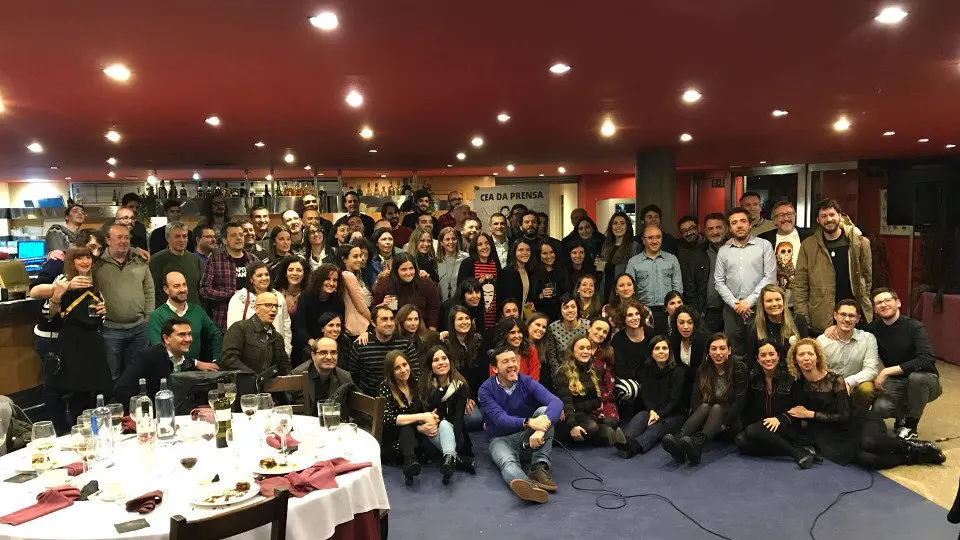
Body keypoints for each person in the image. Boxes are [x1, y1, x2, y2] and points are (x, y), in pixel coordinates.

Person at [786, 337, 945, 469]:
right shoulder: (797, 386)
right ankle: (911, 458)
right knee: (866, 459)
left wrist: (810, 414)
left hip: (857, 420)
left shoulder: (835, 380)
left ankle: (913, 446)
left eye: (810, 354)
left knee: (870, 442)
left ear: (817, 357)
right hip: (830, 433)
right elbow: (795, 413)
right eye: (801, 355)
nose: (806, 358)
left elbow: (844, 415)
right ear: (795, 360)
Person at [480, 344, 562, 503]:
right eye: (505, 362)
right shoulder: (485, 390)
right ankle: (530, 487)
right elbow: (499, 419)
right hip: (499, 439)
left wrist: (540, 429)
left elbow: (555, 402)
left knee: (545, 411)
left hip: (529, 439)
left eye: (513, 360)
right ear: (494, 368)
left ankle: (539, 466)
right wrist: (529, 422)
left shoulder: (527, 381)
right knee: (508, 463)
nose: (512, 365)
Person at [46, 246, 111, 431]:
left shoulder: (95, 281)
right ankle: (80, 434)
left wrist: (103, 311)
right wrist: (59, 294)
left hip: (94, 342)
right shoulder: (62, 280)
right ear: (71, 261)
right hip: (73, 344)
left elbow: (100, 315)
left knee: (100, 390)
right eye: (80, 258)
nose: (85, 261)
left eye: (88, 258)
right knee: (78, 395)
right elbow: (50, 314)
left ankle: (99, 432)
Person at [866, 288, 941, 440]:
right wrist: (833, 329)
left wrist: (886, 371)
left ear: (898, 302)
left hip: (926, 379)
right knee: (880, 409)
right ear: (875, 309)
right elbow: (852, 329)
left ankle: (911, 426)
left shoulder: (915, 327)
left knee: (916, 379)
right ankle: (902, 416)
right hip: (897, 380)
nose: (884, 304)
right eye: (879, 302)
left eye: (888, 300)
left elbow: (926, 359)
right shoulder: (874, 328)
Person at [662, 333, 747, 465]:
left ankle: (698, 446)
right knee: (705, 406)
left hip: (731, 423)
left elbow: (740, 402)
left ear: (729, 351)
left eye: (722, 348)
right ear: (708, 351)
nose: (718, 353)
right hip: (709, 422)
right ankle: (678, 439)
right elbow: (696, 397)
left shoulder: (739, 368)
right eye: (713, 349)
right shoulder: (704, 369)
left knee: (717, 407)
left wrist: (724, 424)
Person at [794, 199, 873, 334]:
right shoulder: (808, 246)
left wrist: (864, 303)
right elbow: (800, 285)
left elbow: (867, 277)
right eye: (824, 216)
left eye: (832, 215)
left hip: (853, 315)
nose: (829, 219)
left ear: (840, 216)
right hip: (821, 318)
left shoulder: (859, 243)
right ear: (818, 220)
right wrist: (803, 318)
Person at [734, 340, 815, 468]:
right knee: (741, 441)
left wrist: (780, 419)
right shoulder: (753, 379)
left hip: (786, 426)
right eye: (763, 355)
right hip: (764, 428)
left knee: (751, 431)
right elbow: (749, 408)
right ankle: (796, 448)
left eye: (772, 354)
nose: (768, 359)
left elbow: (801, 408)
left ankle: (796, 453)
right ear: (758, 359)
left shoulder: (792, 378)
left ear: (778, 356)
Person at [714, 206, 776, 355]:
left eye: (743, 221)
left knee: (760, 351)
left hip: (758, 309)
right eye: (734, 223)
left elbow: (770, 278)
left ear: (750, 224)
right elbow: (719, 281)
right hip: (731, 311)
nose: (739, 225)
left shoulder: (764, 246)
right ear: (729, 228)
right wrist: (736, 304)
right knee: (733, 353)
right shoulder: (724, 251)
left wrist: (748, 302)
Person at [96, 223, 154, 380]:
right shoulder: (97, 263)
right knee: (112, 375)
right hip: (110, 329)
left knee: (136, 374)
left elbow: (149, 290)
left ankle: (134, 404)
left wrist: (148, 317)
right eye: (119, 237)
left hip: (139, 328)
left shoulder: (140, 260)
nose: (124, 241)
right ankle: (115, 404)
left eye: (127, 237)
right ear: (108, 240)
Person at [614, 335, 686, 458]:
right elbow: (646, 395)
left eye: (664, 348)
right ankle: (625, 441)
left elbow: (675, 401)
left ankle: (633, 447)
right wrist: (652, 411)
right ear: (652, 353)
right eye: (657, 348)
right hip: (653, 411)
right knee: (641, 416)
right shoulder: (646, 370)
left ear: (670, 352)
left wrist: (659, 415)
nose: (661, 351)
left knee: (657, 427)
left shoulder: (678, 372)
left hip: (673, 414)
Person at [115, 317, 203, 408]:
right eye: (182, 335)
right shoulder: (147, 357)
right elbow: (122, 390)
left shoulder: (187, 362)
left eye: (189, 334)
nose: (188, 339)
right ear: (166, 338)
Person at [420, 345, 476, 483]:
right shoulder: (424, 386)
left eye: (444, 358)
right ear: (430, 365)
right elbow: (422, 415)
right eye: (436, 360)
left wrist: (455, 442)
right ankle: (454, 460)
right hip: (431, 435)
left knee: (445, 424)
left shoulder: (459, 385)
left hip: (455, 434)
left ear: (450, 361)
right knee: (440, 426)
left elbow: (457, 421)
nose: (441, 362)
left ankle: (450, 457)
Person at [379, 350, 433, 485]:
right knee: (406, 425)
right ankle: (410, 461)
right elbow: (387, 419)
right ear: (391, 372)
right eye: (397, 368)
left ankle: (411, 464)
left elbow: (426, 409)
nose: (403, 370)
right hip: (394, 442)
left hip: (416, 437)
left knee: (411, 424)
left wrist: (424, 423)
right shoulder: (385, 387)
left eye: (404, 365)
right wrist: (420, 419)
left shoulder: (415, 382)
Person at [147, 271, 222, 367]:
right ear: (166, 289)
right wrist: (195, 363)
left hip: (196, 373)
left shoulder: (197, 311)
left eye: (184, 285)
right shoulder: (157, 316)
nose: (182, 289)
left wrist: (216, 360)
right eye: (176, 286)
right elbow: (158, 349)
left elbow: (215, 334)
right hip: (169, 370)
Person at [816, 300, 880, 408]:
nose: (847, 319)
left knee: (867, 389)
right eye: (843, 315)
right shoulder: (822, 340)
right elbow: (819, 369)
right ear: (835, 315)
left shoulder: (868, 339)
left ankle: (858, 416)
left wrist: (849, 381)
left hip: (856, 385)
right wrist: (836, 385)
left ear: (858, 319)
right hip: (830, 386)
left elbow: (871, 370)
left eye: (851, 316)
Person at [556, 337, 619, 445]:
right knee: (592, 427)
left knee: (612, 423)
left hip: (588, 414)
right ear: (572, 351)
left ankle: (588, 436)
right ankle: (561, 436)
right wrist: (572, 425)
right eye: (581, 348)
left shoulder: (593, 370)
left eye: (588, 348)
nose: (585, 351)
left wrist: (587, 406)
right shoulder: (563, 372)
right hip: (571, 415)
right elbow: (567, 404)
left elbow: (598, 401)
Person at [200, 220, 259, 331]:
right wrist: (230, 294)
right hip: (223, 322)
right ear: (224, 240)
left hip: (251, 321)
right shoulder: (215, 260)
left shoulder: (253, 260)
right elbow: (204, 290)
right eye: (233, 235)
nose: (238, 238)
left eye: (241, 235)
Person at [349, 305, 419, 396]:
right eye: (384, 319)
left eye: (391, 319)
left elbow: (415, 374)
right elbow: (353, 378)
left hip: (400, 399)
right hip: (370, 400)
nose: (389, 323)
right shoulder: (360, 345)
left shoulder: (405, 344)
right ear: (373, 323)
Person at [226, 260, 292, 356]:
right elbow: (233, 329)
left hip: (276, 351)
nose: (264, 278)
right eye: (259, 275)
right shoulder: (239, 298)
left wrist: (287, 349)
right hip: (249, 353)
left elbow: (286, 323)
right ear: (251, 279)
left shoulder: (278, 296)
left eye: (267, 274)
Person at [626, 225, 683, 333]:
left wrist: (676, 311)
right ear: (643, 240)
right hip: (643, 312)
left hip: (667, 311)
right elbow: (629, 291)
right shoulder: (634, 262)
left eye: (658, 237)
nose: (655, 241)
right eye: (650, 237)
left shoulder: (672, 260)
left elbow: (678, 288)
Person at [220, 291, 292, 376]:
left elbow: (284, 367)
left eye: (276, 306)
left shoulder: (277, 338)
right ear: (256, 308)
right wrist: (253, 377)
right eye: (268, 305)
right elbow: (229, 359)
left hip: (269, 387)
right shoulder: (239, 328)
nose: (274, 309)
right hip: (240, 385)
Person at [758, 200, 811, 305]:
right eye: (781, 215)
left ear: (794, 216)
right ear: (774, 221)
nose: (786, 218)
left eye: (789, 214)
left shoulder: (809, 236)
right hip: (775, 301)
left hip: (802, 300)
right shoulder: (764, 239)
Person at [371, 252, 441, 330]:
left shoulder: (425, 281)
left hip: (421, 330)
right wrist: (382, 305)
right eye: (404, 269)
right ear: (396, 270)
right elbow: (374, 310)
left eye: (411, 268)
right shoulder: (386, 284)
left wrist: (432, 332)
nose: (408, 273)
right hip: (394, 331)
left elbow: (434, 308)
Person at [443, 306, 485, 432]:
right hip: (456, 393)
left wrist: (475, 396)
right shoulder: (446, 343)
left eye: (467, 318)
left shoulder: (478, 339)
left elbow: (481, 372)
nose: (465, 322)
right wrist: (464, 398)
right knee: (475, 420)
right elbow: (449, 376)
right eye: (460, 319)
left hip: (476, 392)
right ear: (452, 322)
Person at [744, 284, 809, 364]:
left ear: (784, 301)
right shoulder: (754, 327)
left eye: (778, 299)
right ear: (763, 304)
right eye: (769, 301)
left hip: (795, 370)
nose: (774, 304)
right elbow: (751, 360)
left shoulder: (799, 321)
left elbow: (806, 352)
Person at [685, 212, 728, 332]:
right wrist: (696, 311)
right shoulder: (697, 253)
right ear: (705, 231)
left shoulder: (736, 250)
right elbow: (690, 285)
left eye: (718, 227)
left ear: (726, 229)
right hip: (708, 312)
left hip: (732, 310)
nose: (715, 232)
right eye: (710, 229)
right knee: (709, 347)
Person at [149, 221, 203, 306]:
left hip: (193, 312)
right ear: (168, 238)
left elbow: (201, 289)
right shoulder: (156, 260)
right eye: (177, 236)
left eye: (184, 236)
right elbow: (152, 291)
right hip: (167, 314)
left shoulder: (195, 260)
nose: (182, 240)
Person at [611, 300, 650, 416]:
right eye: (630, 315)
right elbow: (620, 369)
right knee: (631, 390)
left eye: (637, 314)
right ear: (623, 319)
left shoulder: (650, 333)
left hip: (650, 374)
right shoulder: (618, 339)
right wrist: (641, 377)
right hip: (629, 377)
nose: (635, 318)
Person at [541, 295, 588, 389]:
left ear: (578, 309)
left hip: (584, 373)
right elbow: (552, 357)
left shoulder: (587, 325)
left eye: (573, 307)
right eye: (566, 307)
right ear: (560, 310)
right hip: (562, 375)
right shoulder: (553, 328)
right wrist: (562, 376)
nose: (570, 310)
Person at [457, 232, 502, 330]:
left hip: (493, 316)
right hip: (474, 317)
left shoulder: (495, 263)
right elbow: (461, 292)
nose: (484, 247)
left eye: (487, 243)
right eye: (480, 244)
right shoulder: (468, 264)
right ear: (475, 247)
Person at [295, 337, 353, 411]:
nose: (329, 357)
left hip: (333, 421)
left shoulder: (344, 377)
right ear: (313, 355)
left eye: (333, 352)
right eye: (323, 352)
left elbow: (353, 411)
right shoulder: (297, 375)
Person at [669, 306, 709, 408]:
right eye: (681, 323)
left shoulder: (703, 339)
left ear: (695, 324)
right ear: (676, 324)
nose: (686, 327)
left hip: (702, 382)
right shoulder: (673, 340)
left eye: (690, 322)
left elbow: (704, 369)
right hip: (684, 383)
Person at [498, 237, 544, 316]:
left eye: (528, 250)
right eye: (521, 250)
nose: (525, 253)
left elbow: (528, 299)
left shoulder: (530, 272)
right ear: (514, 252)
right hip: (511, 317)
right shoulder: (506, 272)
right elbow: (502, 299)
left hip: (526, 315)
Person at [599, 212, 638, 304]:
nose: (618, 226)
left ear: (627, 226)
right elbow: (600, 270)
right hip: (605, 289)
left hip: (623, 292)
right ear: (611, 226)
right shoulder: (606, 245)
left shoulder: (634, 246)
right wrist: (598, 265)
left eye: (622, 223)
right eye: (615, 223)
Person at [490, 316, 542, 381]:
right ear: (504, 335)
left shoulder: (531, 351)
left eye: (519, 332)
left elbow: (534, 381)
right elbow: (494, 383)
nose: (517, 336)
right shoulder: (497, 355)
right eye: (512, 332)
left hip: (529, 390)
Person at [338, 242, 373, 338]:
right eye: (355, 256)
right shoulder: (348, 275)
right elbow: (360, 307)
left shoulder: (347, 275)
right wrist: (373, 321)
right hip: (358, 328)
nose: (360, 259)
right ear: (344, 259)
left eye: (360, 256)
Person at [535, 240, 568, 321]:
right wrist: (541, 295)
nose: (549, 256)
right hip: (541, 316)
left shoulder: (562, 270)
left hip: (561, 315)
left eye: (551, 252)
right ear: (539, 255)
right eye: (545, 253)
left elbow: (567, 291)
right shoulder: (534, 273)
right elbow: (530, 299)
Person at [434, 227, 466, 302]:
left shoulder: (466, 258)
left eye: (453, 239)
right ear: (441, 243)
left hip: (461, 303)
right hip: (443, 304)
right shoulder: (436, 261)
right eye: (447, 239)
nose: (451, 242)